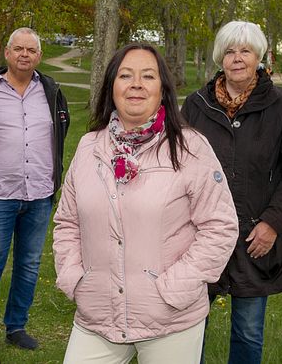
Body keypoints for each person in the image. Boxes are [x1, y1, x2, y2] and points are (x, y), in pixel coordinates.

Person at [52, 43, 239, 363]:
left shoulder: (190, 148)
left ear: (162, 90)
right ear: (112, 87)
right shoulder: (88, 148)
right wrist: (75, 277)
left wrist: (175, 287)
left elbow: (220, 226)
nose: (136, 83)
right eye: (126, 75)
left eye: (148, 76)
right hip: (98, 316)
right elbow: (67, 221)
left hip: (169, 319)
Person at [181, 21, 282, 364]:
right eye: (229, 51)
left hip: (256, 237)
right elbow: (176, 167)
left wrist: (273, 223)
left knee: (248, 330)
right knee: (187, 326)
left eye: (245, 51)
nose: (237, 58)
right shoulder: (197, 105)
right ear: (219, 58)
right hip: (201, 236)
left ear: (259, 57)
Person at [0, 27, 70, 362]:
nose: (25, 54)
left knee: (29, 264)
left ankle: (16, 326)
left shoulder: (51, 91)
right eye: (18, 48)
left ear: (39, 56)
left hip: (38, 195)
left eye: (32, 50)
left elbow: (61, 132)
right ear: (6, 53)